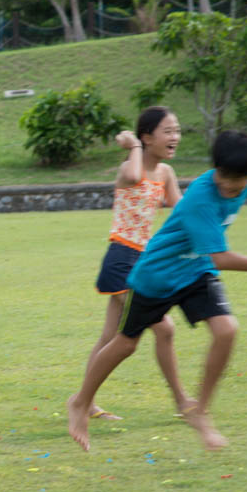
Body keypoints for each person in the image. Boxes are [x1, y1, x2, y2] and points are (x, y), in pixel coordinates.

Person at [67, 131, 247, 452]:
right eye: (223, 179)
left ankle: (200, 412)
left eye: (236, 183)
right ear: (215, 169)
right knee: (125, 344)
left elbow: (211, 255)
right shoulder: (201, 197)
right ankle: (80, 401)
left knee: (226, 330)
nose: (228, 188)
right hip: (157, 275)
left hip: (195, 272)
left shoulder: (246, 183)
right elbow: (220, 257)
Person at [85, 107, 193, 421]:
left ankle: (85, 403)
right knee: (165, 327)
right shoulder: (128, 169)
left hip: (143, 262)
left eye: (177, 130)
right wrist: (132, 146)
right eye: (168, 131)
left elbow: (184, 210)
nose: (175, 137)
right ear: (147, 137)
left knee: (110, 337)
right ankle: (182, 402)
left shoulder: (166, 174)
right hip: (121, 259)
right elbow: (133, 177)